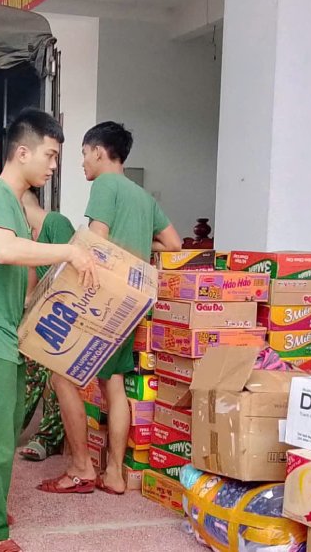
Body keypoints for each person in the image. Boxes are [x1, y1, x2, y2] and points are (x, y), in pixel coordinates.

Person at [0, 109, 97, 552]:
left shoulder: (12, 203)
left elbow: (19, 270)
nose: (54, 166)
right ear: (22, 152)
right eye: (50, 155)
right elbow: (4, 250)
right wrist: (68, 252)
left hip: (2, 339)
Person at [41, 121, 182, 496]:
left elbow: (97, 241)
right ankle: (115, 474)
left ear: (99, 152)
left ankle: (81, 468)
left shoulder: (105, 184)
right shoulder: (143, 197)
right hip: (132, 301)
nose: (82, 163)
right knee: (113, 383)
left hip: (102, 298)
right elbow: (174, 244)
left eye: (84, 154)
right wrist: (139, 248)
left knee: (61, 375)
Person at [18, 189, 76, 462]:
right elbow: (31, 290)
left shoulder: (55, 223)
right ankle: (8, 427)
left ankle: (48, 438)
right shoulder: (29, 236)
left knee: (53, 375)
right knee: (26, 367)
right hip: (46, 316)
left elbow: (72, 273)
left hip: (66, 316)